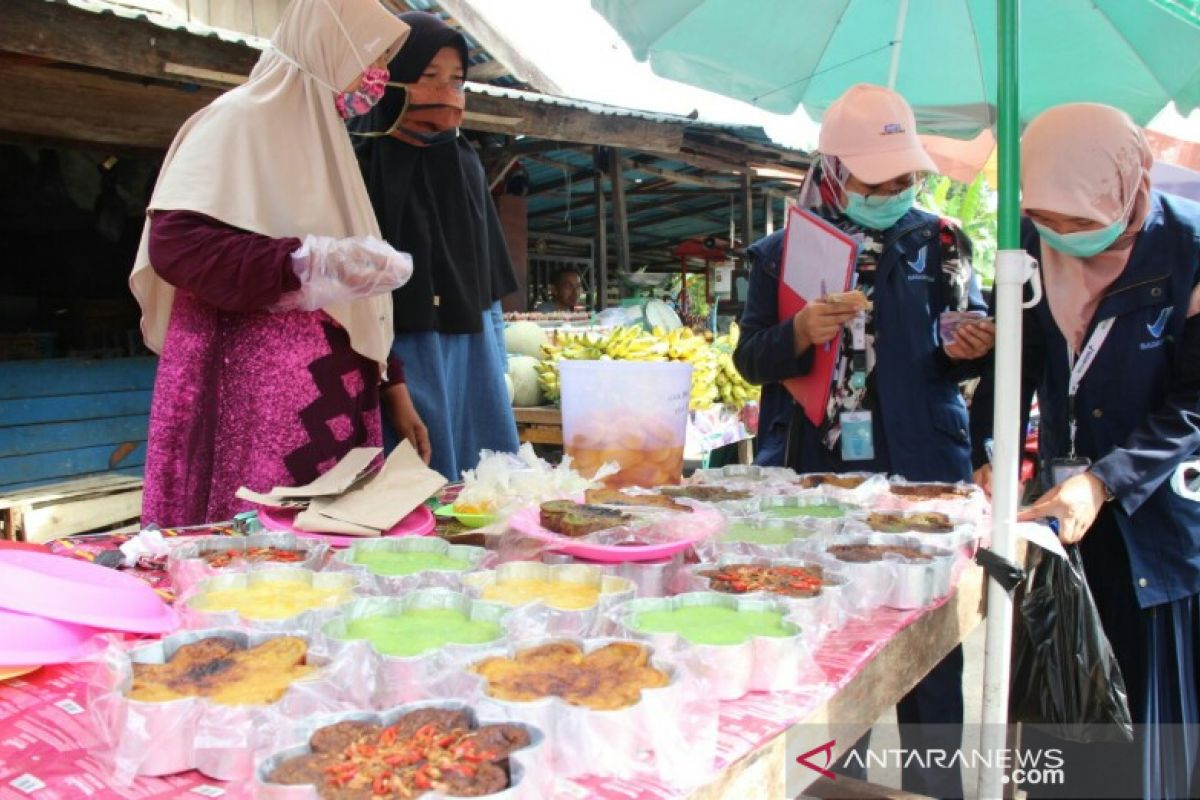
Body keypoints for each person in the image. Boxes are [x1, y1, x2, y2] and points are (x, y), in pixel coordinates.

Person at [733, 84, 995, 798]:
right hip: (821, 474)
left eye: (907, 178)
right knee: (827, 655)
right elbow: (750, 359)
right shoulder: (782, 253)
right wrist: (797, 334)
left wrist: (970, 348)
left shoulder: (943, 241)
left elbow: (957, 351)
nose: (896, 192)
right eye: (880, 181)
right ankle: (830, 790)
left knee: (930, 660)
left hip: (921, 473)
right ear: (838, 171)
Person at [971, 103, 1200, 800]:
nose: (1062, 238)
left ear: (1130, 186)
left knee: (1148, 736)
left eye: (1078, 220)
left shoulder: (1189, 251)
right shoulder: (1028, 239)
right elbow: (1021, 353)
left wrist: (1105, 482)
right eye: (1047, 219)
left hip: (1158, 529)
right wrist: (993, 448)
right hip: (1063, 521)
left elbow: (1193, 401)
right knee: (1067, 725)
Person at [131, 0, 417, 527]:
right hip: (251, 405)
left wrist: (389, 379)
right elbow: (176, 244)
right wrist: (306, 263)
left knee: (318, 561)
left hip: (329, 404)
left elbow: (356, 302)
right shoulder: (236, 120)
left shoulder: (325, 145)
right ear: (327, 46)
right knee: (249, 551)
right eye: (368, 56)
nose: (373, 78)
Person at [349, 11, 520, 482]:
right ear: (391, 78)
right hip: (397, 350)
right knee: (408, 479)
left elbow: (486, 280)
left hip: (470, 350)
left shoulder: (466, 164)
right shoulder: (362, 163)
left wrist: (498, 359)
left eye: (457, 80)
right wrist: (388, 379)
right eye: (427, 77)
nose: (446, 92)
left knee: (477, 484)